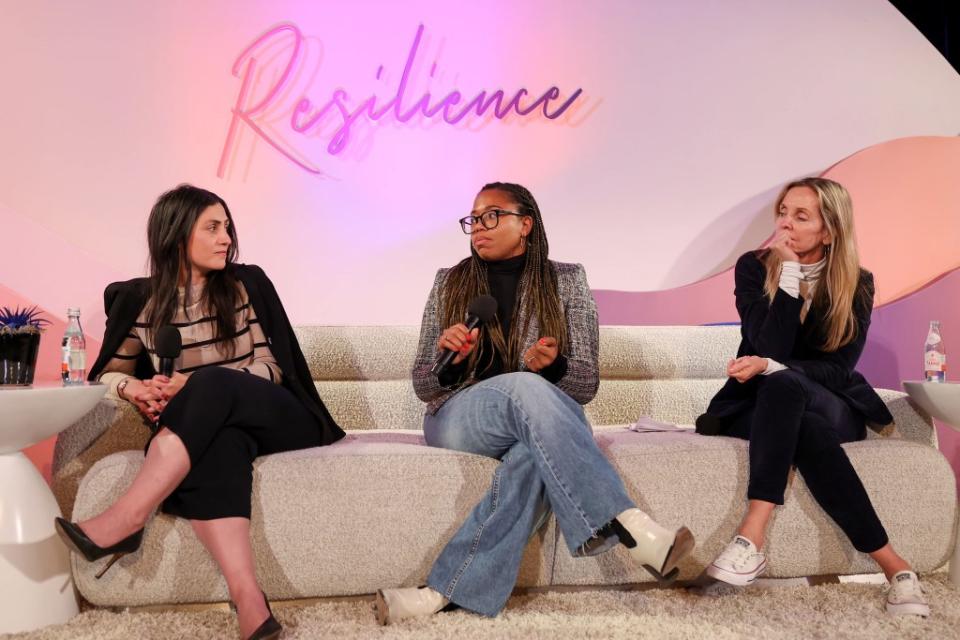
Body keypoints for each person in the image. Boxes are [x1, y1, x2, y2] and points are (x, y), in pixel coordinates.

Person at [374, 182, 695, 624]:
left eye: (492, 216)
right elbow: (424, 385)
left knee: (531, 454)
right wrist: (448, 362)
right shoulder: (450, 280)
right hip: (458, 417)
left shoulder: (566, 280)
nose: (478, 228)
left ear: (525, 224)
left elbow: (584, 386)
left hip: (534, 422)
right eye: (473, 219)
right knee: (526, 387)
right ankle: (631, 524)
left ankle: (437, 593)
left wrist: (555, 366)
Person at [54, 185, 345, 640]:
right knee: (220, 446)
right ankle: (250, 603)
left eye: (227, 227)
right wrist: (135, 388)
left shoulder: (246, 285)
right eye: (212, 227)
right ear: (175, 236)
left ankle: (128, 516)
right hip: (214, 425)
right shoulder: (141, 303)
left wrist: (198, 384)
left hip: (281, 417)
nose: (226, 237)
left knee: (211, 380)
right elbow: (108, 375)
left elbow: (272, 369)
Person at [696, 177, 928, 617]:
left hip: (831, 401)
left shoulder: (856, 282)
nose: (786, 224)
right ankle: (896, 567)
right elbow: (769, 345)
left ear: (829, 230)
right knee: (799, 419)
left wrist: (771, 367)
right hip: (760, 406)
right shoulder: (754, 267)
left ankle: (751, 536)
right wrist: (785, 279)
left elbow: (837, 369)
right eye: (783, 212)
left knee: (786, 385)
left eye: (801, 216)